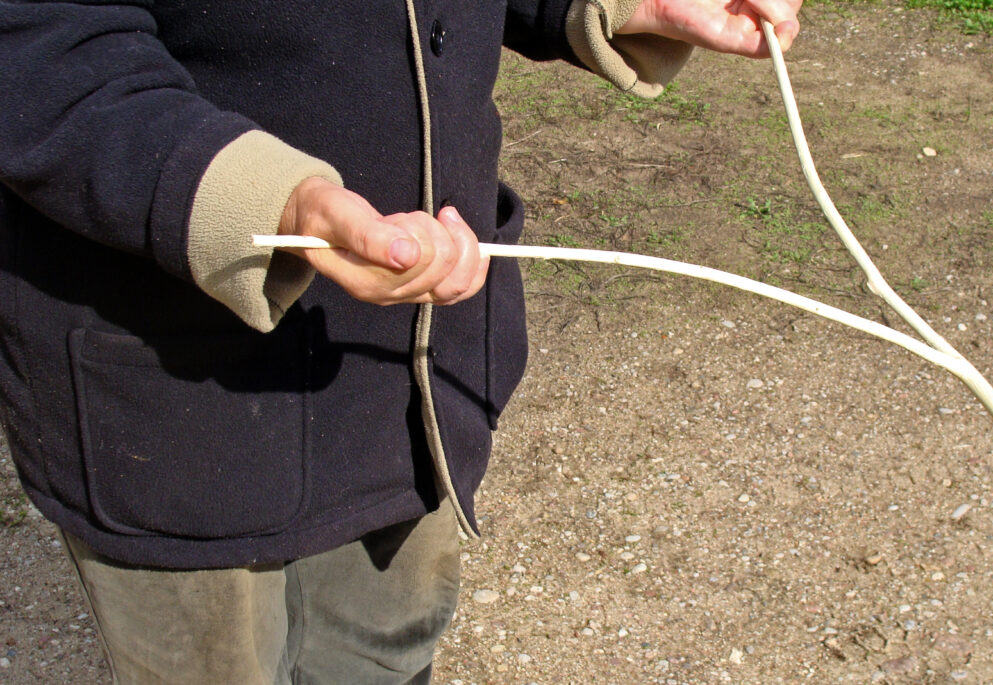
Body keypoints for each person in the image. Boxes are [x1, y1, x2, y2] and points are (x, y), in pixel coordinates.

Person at [0, 0, 802, 682]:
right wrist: (279, 205)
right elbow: (38, 40)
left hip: (413, 379)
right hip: (176, 403)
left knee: (387, 650)